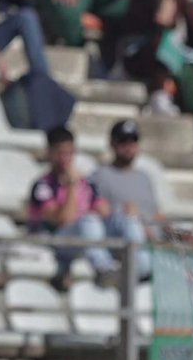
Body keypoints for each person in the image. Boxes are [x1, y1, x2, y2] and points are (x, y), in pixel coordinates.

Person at [29, 126, 116, 279]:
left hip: (83, 240)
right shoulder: (43, 186)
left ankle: (140, 268)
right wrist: (71, 186)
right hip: (55, 241)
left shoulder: (86, 183)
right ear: (49, 152)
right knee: (89, 220)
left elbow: (105, 213)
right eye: (60, 153)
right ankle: (104, 268)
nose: (65, 158)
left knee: (121, 219)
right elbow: (65, 220)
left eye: (69, 153)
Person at [88, 119, 163, 273]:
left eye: (133, 141)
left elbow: (156, 214)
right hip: (121, 239)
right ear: (112, 143)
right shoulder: (100, 175)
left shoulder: (144, 177)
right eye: (123, 141)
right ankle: (143, 270)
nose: (128, 146)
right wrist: (130, 216)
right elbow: (97, 213)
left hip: (150, 239)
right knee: (129, 220)